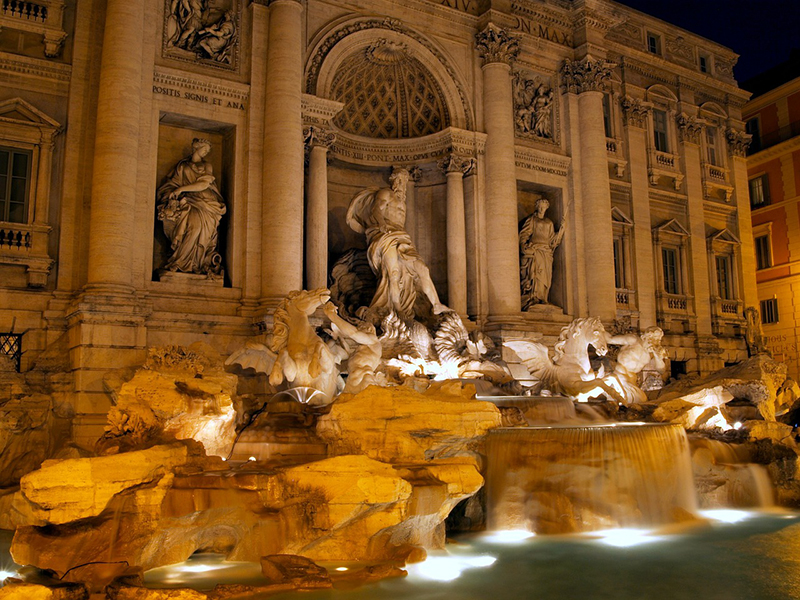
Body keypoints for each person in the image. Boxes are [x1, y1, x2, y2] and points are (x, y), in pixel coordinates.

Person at [346, 169, 448, 324]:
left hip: (401, 238)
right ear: (393, 182)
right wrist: (381, 224)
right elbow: (376, 209)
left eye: (404, 181)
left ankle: (436, 304)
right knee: (392, 273)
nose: (401, 184)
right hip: (385, 236)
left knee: (422, 269)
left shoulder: (403, 201)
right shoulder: (386, 193)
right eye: (399, 180)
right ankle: (398, 310)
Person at [157, 138, 226, 276]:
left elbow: (204, 184)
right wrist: (173, 193)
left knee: (201, 230)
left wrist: (181, 189)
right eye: (204, 149)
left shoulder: (207, 166)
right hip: (189, 201)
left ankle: (196, 263)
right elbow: (172, 184)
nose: (206, 152)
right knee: (193, 227)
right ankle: (180, 261)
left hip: (206, 202)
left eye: (208, 151)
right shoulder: (182, 166)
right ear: (196, 147)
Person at [519, 197, 565, 309]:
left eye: (544, 207)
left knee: (546, 276)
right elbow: (524, 234)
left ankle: (543, 297)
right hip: (535, 249)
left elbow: (553, 241)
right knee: (536, 274)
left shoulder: (549, 223)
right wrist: (523, 246)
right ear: (537, 207)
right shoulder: (532, 220)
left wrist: (562, 230)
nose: (541, 209)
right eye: (540, 207)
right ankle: (534, 297)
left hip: (546, 251)